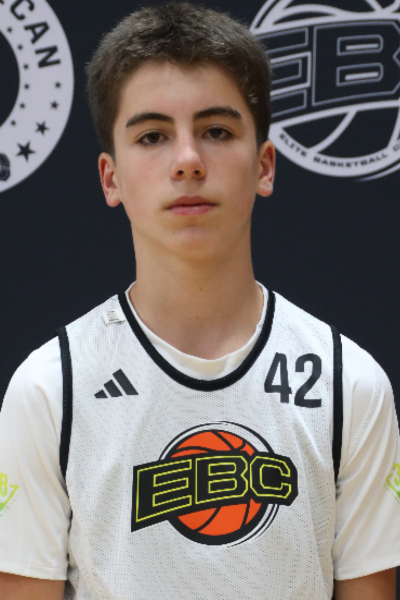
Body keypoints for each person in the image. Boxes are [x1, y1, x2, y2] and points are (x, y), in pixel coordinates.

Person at [0, 3, 399, 599]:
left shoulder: (351, 385)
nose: (187, 161)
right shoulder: (49, 391)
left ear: (264, 165)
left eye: (216, 131)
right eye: (153, 136)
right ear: (111, 178)